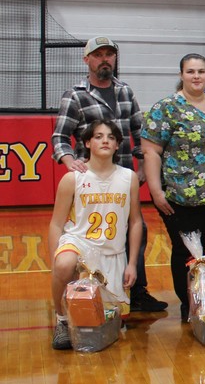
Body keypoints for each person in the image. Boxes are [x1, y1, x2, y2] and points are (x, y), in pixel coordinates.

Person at [51, 36, 167, 313]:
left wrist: (140, 169)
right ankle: (80, 291)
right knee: (94, 238)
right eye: (98, 54)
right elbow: (59, 137)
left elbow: (141, 134)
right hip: (91, 179)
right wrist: (70, 161)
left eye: (109, 54)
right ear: (87, 59)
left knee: (134, 232)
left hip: (122, 178)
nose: (105, 59)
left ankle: (136, 291)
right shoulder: (76, 94)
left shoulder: (125, 91)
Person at [141, 53, 205, 322]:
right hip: (182, 197)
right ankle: (190, 305)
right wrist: (155, 191)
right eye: (191, 71)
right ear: (181, 75)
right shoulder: (166, 108)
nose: (196, 76)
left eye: (200, 71)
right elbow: (151, 151)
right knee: (187, 253)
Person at [49, 121, 142, 349]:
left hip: (112, 253)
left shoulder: (128, 177)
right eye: (99, 136)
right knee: (64, 264)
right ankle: (61, 319)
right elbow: (55, 224)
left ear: (118, 145)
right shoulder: (73, 178)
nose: (105, 140)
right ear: (88, 143)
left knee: (108, 324)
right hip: (78, 244)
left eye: (111, 137)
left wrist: (132, 264)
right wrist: (56, 260)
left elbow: (136, 221)